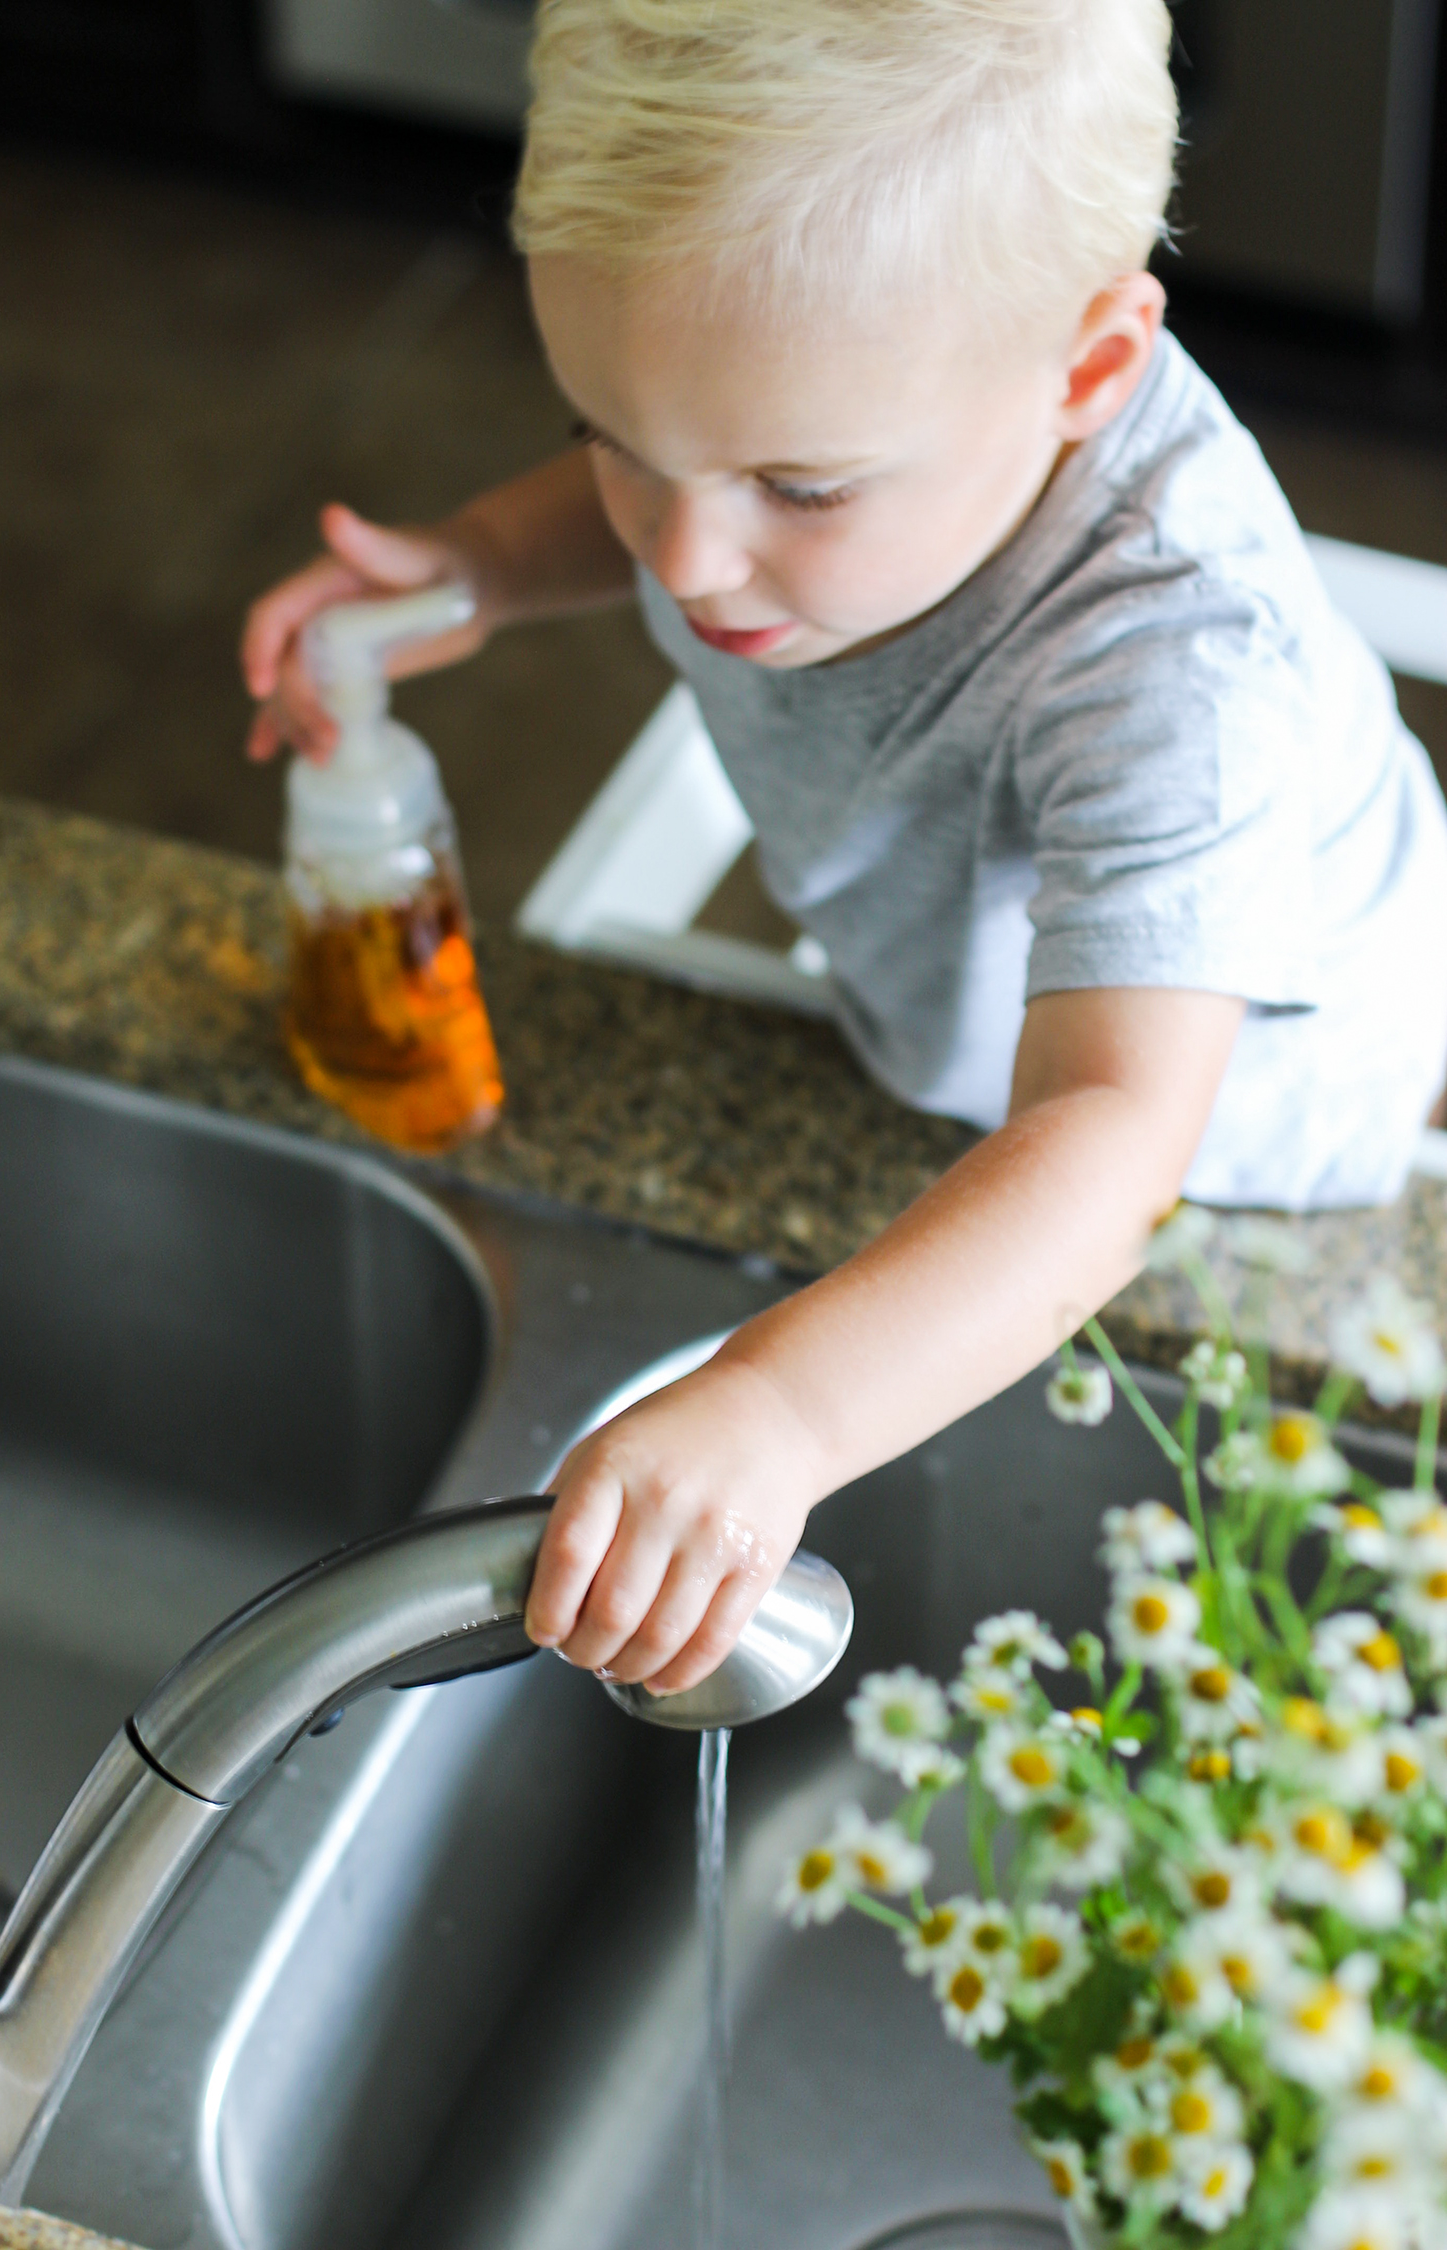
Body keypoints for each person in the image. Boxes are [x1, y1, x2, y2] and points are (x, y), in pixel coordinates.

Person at [242, 0, 1447, 1704]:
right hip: (959, 989)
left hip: (1280, 1084)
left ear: (1091, 374)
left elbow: (1113, 1143)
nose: (689, 556)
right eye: (611, 442)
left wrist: (785, 1407)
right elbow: (698, 458)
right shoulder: (807, 428)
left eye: (799, 488)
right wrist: (487, 562)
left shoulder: (1180, 673)